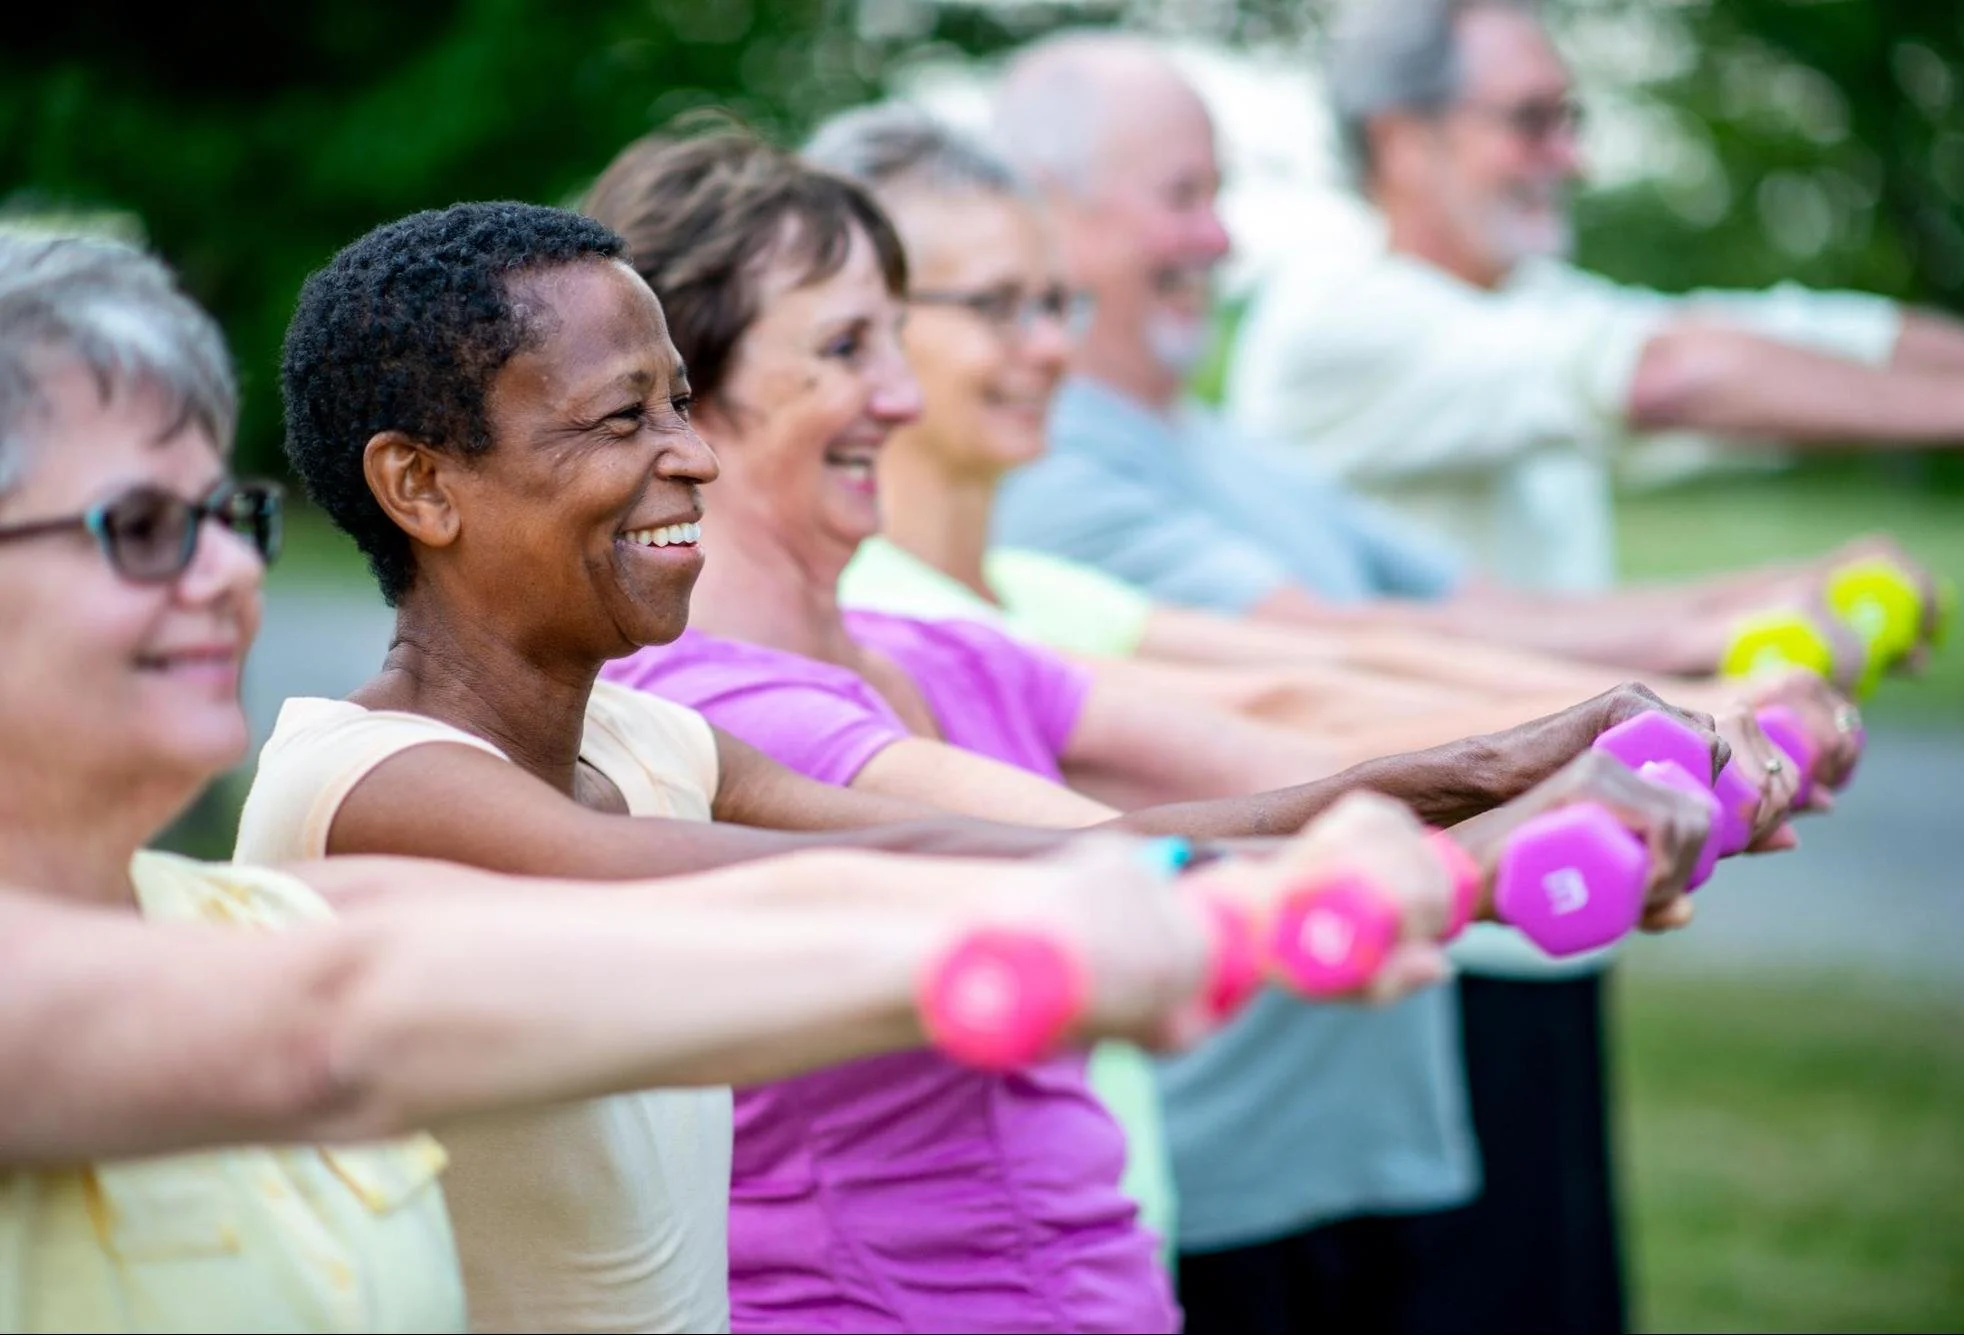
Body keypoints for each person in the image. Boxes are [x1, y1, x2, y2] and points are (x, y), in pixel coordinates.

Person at [251, 197, 1622, 1334]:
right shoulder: (380, 782)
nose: (691, 455)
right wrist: (1273, 882)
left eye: (681, 402)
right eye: (622, 419)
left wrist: (1468, 779)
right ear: (421, 485)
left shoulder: (641, 735)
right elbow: (810, 881)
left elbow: (993, 838)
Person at [0, 228, 1277, 1332]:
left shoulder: (268, 918)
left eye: (229, 518)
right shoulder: (369, 808)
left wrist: (1416, 803)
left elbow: (914, 855)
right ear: (422, 486)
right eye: (144, 529)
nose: (228, 572)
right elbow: (370, 1012)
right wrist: (1111, 907)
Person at [580, 126, 1739, 1334]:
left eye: (893, 337)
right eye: (844, 349)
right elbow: (1115, 862)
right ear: (684, 400)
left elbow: (1290, 752)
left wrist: (1575, 752)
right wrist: (1485, 861)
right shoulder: (710, 702)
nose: (903, 395)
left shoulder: (941, 651)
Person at [979, 32, 1863, 1334]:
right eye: (1180, 194)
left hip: (1379, 1125)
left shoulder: (1220, 444)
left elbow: (1471, 616)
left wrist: (1731, 627)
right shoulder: (1047, 481)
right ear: (1042, 214)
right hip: (1222, 1161)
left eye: (1219, 191)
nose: (1218, 237)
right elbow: (1317, 667)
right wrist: (1665, 709)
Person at [803, 100, 1862, 779]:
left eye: (1055, 305)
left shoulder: (1032, 580)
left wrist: (1694, 693)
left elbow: (1353, 653)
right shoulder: (882, 613)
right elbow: (1278, 703)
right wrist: (1665, 716)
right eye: (998, 307)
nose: (1048, 348)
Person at [1228, 0, 1964, 595]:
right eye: (1530, 121)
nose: (1572, 158)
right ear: (1402, 142)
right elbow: (1668, 376)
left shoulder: (1526, 301)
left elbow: (1786, 334)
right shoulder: (1334, 314)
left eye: (1570, 119)